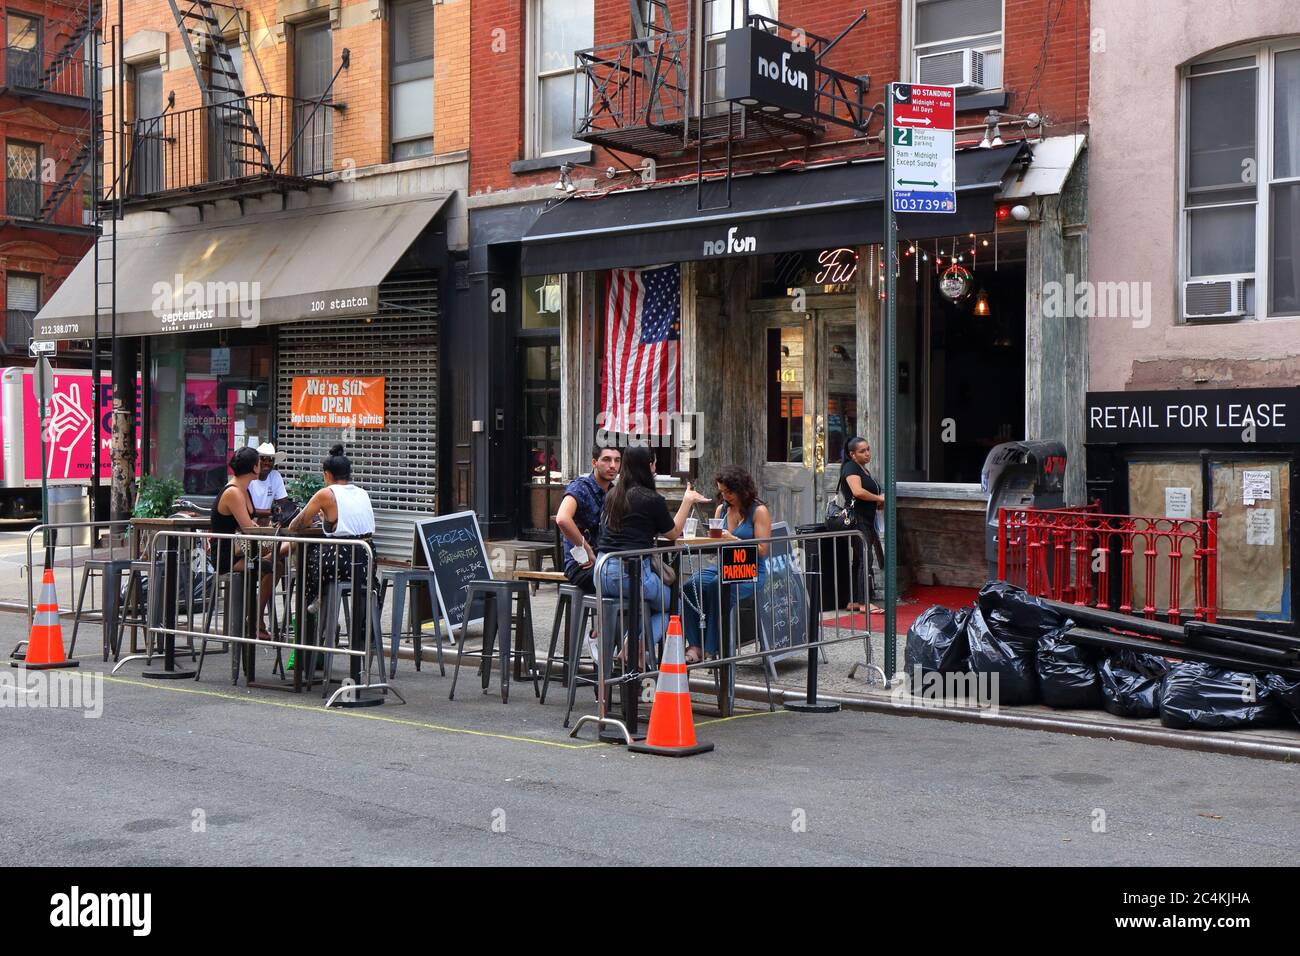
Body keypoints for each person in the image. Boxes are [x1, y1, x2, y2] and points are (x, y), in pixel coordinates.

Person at [596, 445, 709, 648]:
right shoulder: (651, 499)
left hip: (602, 573)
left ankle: (626, 651)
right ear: (649, 466)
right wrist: (687, 501)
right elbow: (673, 533)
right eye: (654, 463)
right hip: (631, 576)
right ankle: (635, 647)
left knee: (650, 604)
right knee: (675, 606)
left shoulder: (612, 495)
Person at [288, 445, 377, 673]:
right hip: (367, 560)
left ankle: (314, 604)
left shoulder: (326, 494)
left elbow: (295, 525)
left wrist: (315, 518)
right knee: (318, 557)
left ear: (327, 474)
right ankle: (323, 609)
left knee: (308, 559)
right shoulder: (362, 492)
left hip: (342, 560)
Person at [681, 466, 771, 664]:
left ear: (741, 489)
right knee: (689, 586)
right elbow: (716, 543)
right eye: (722, 492)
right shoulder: (721, 509)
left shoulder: (759, 511)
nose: (725, 496)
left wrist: (734, 540)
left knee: (716, 585)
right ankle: (695, 644)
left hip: (751, 568)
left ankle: (712, 648)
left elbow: (763, 549)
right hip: (724, 565)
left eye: (729, 492)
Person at [212, 446, 276, 639]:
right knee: (276, 562)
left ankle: (255, 617)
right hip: (227, 556)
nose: (263, 466)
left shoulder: (244, 490)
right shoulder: (233, 492)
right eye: (259, 462)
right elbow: (249, 527)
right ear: (253, 467)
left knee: (277, 561)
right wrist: (274, 533)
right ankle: (255, 619)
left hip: (244, 551)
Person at [555, 445, 621, 594]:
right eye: (606, 460)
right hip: (582, 565)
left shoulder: (615, 492)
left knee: (639, 579)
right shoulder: (580, 487)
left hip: (606, 563)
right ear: (594, 463)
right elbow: (562, 518)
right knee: (630, 584)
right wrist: (587, 549)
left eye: (617, 460)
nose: (613, 465)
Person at [839, 435, 885, 613]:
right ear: (852, 454)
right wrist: (879, 498)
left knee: (860, 559)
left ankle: (854, 600)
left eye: (868, 449)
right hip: (857, 519)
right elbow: (857, 492)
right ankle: (864, 602)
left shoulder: (862, 468)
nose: (867, 454)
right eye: (862, 451)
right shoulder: (851, 467)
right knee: (866, 558)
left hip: (867, 519)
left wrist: (878, 502)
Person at [249, 443, 291, 525]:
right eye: (263, 458)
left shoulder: (275, 475)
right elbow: (245, 510)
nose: (267, 462)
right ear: (256, 461)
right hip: (246, 521)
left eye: (270, 459)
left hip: (266, 523)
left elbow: (284, 504)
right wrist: (270, 512)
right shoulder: (248, 476)